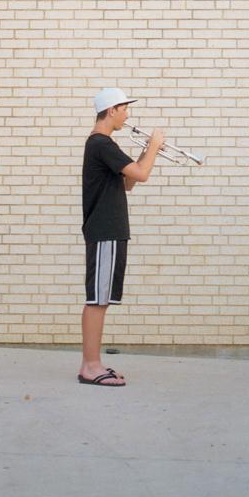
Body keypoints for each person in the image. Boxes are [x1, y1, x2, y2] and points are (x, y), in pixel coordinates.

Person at [78, 86, 165, 387]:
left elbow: (129, 182)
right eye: (125, 109)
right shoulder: (101, 143)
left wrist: (146, 152)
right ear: (112, 110)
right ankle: (90, 366)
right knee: (97, 300)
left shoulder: (105, 145)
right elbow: (141, 175)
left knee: (101, 299)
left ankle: (94, 362)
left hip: (110, 231)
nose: (128, 115)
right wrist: (154, 145)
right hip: (105, 230)